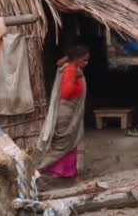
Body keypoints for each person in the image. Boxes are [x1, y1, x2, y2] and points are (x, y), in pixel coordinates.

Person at [37, 45, 89, 181]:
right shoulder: (70, 71)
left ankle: (65, 172)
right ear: (76, 59)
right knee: (62, 145)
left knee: (70, 144)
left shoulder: (72, 69)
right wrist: (76, 80)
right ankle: (42, 169)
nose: (86, 63)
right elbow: (66, 93)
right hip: (66, 114)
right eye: (84, 60)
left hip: (69, 113)